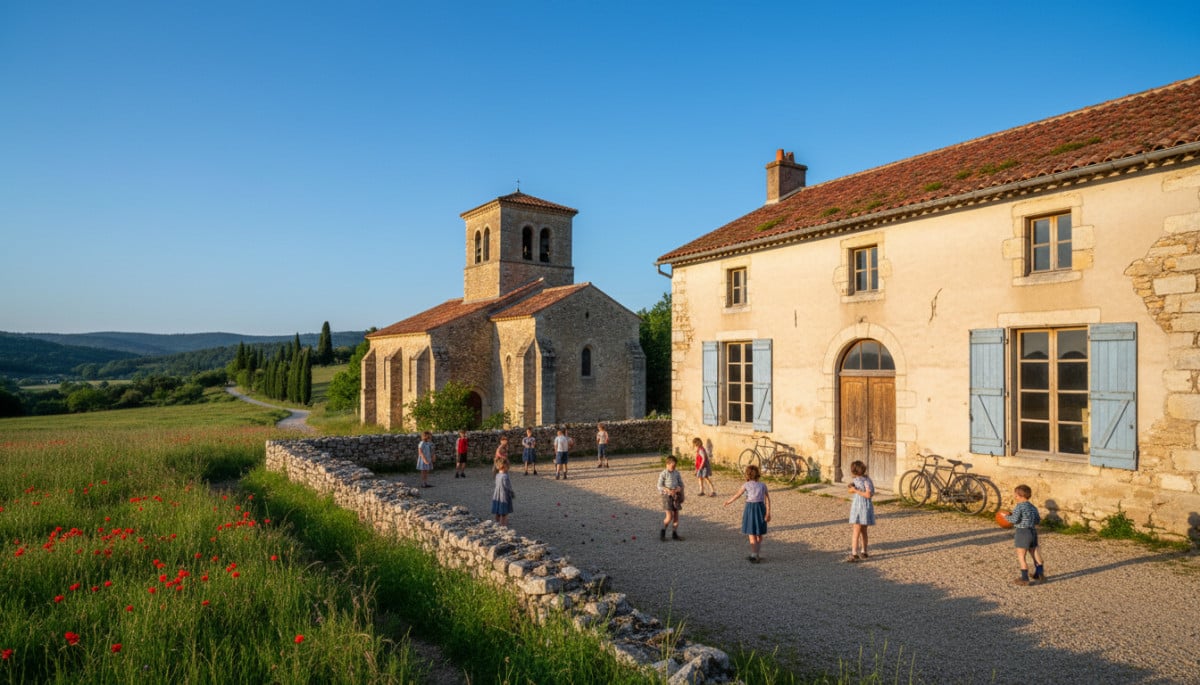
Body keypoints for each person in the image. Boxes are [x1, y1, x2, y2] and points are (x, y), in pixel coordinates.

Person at [724, 464, 771, 563]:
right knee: (759, 533)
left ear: (747, 475)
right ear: (758, 474)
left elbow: (737, 495)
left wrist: (728, 501)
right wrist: (768, 513)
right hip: (760, 509)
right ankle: (756, 553)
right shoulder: (763, 485)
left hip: (750, 509)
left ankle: (754, 554)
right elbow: (767, 499)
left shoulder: (746, 485)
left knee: (751, 533)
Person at [1004, 484, 1045, 585]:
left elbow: (1014, 519)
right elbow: (1037, 520)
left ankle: (1024, 578)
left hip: (1022, 532)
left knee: (1021, 556)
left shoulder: (1019, 506)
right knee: (1034, 553)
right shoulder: (1033, 507)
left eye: (1016, 495)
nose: (1015, 497)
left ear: (1021, 496)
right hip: (1033, 532)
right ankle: (1039, 573)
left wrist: (1006, 517)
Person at [846, 460, 875, 562]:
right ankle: (864, 551)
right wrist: (852, 488)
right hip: (865, 507)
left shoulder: (863, 481)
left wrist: (856, 490)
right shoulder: (865, 480)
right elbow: (850, 490)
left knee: (856, 530)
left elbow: (868, 494)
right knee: (863, 531)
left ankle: (854, 553)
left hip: (860, 507)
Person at [657, 456, 685, 541]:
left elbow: (681, 484)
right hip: (667, 496)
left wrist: (679, 489)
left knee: (676, 516)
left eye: (675, 466)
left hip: (676, 496)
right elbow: (659, 486)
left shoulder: (677, 473)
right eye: (672, 466)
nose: (673, 467)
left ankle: (674, 533)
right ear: (667, 464)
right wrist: (667, 490)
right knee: (669, 516)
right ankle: (663, 532)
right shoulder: (663, 474)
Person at [491, 458, 514, 526]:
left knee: (498, 511)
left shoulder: (497, 475)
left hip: (497, 495)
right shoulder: (505, 476)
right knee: (504, 512)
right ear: (504, 467)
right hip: (504, 496)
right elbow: (507, 486)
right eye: (508, 466)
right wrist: (511, 493)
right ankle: (503, 525)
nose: (508, 468)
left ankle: (497, 523)